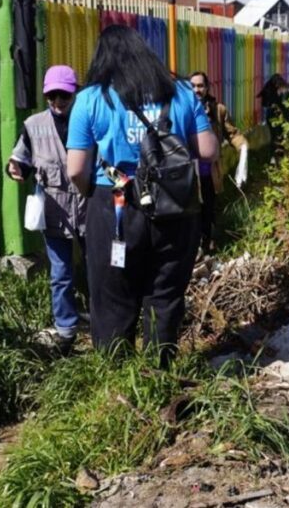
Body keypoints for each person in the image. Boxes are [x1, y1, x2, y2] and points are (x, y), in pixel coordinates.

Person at [66, 26, 218, 368]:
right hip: (175, 207)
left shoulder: (91, 99)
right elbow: (207, 151)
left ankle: (116, 380)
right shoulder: (181, 93)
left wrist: (87, 194)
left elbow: (76, 169)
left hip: (115, 206)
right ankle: (157, 374)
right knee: (163, 294)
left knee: (112, 296)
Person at [7, 64, 86, 355]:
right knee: (61, 272)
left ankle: (105, 323)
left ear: (74, 94)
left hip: (88, 208)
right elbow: (20, 160)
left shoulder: (88, 118)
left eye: (63, 97)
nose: (57, 103)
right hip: (54, 211)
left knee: (98, 268)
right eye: (51, 97)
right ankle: (66, 330)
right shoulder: (32, 125)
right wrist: (14, 169)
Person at [188, 71, 248, 254]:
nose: (197, 90)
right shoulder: (183, 109)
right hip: (189, 173)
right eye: (193, 86)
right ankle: (193, 247)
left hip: (210, 172)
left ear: (207, 87)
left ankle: (209, 244)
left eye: (200, 86)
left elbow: (232, 133)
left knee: (209, 208)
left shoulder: (218, 110)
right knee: (191, 212)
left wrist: (243, 147)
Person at [258, 73, 289, 158]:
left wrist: (272, 103)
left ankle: (274, 157)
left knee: (274, 137)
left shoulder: (269, 87)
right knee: (283, 136)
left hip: (272, 116)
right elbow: (288, 104)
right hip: (285, 116)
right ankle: (282, 156)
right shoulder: (287, 88)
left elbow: (264, 104)